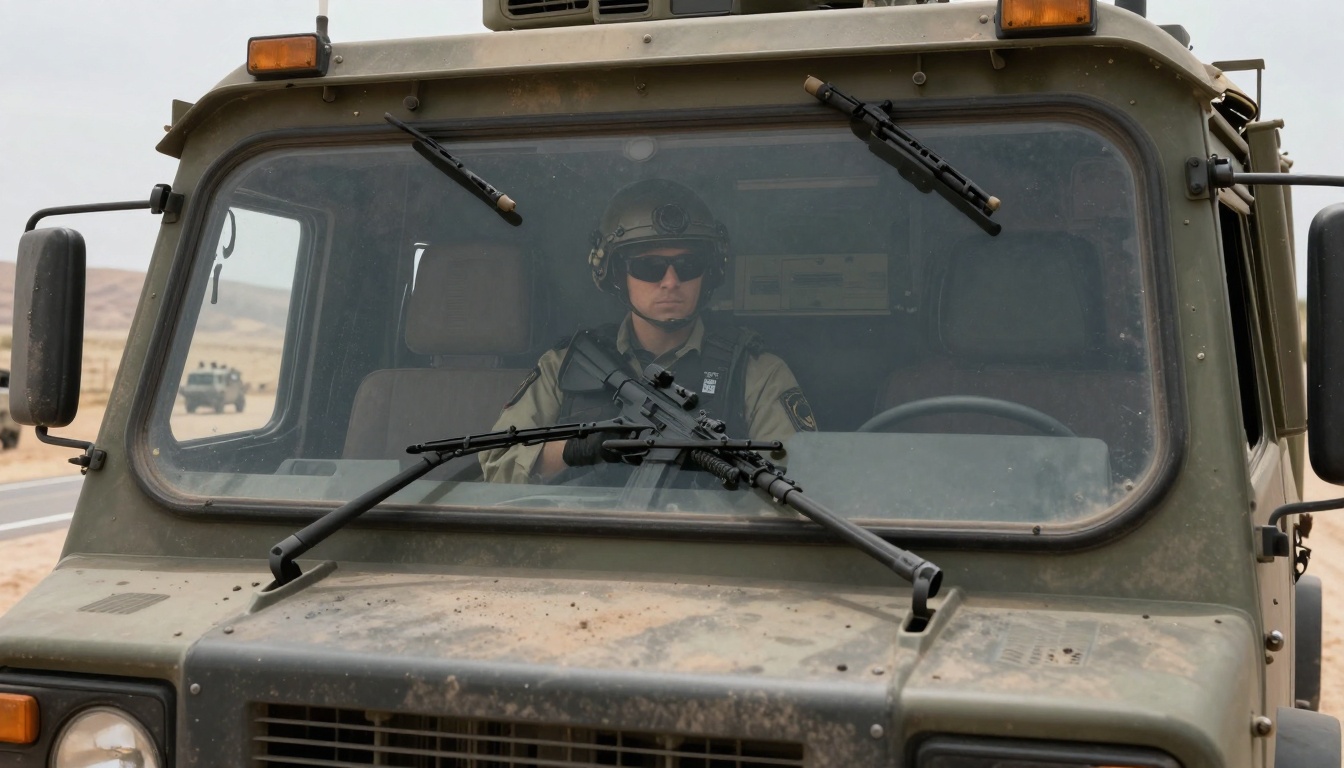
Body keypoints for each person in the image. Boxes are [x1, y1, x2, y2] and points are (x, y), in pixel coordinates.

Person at [479, 179, 816, 484]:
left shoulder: (756, 372)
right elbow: (497, 463)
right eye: (648, 267)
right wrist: (576, 451)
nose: (671, 282)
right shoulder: (566, 365)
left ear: (709, 273)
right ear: (615, 275)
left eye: (688, 265)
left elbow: (799, 486)